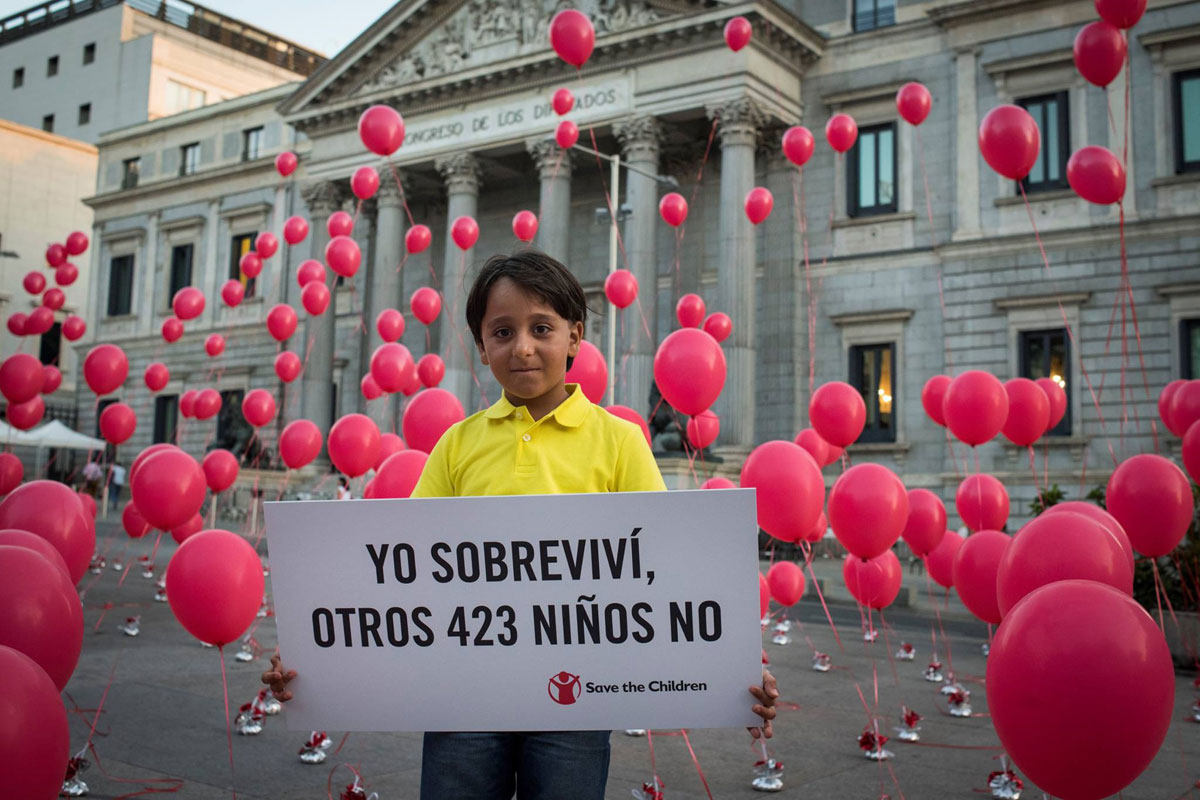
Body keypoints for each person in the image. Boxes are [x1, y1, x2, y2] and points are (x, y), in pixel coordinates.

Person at [264, 250, 778, 799]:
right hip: (463, 696)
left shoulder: (619, 441)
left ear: (575, 337)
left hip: (577, 698)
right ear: (482, 346)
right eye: (503, 331)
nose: (523, 347)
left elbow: (667, 571)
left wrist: (736, 667)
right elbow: (396, 573)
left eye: (541, 328)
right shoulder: (456, 445)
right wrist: (314, 657)